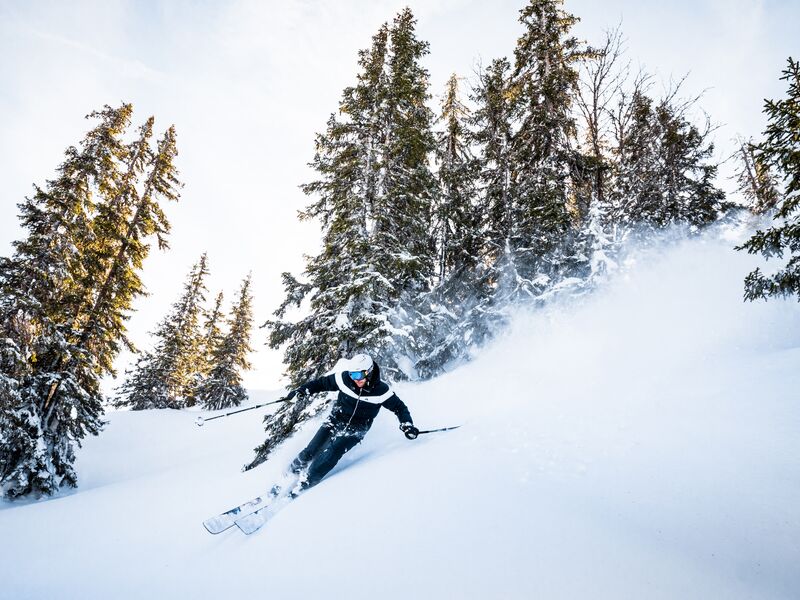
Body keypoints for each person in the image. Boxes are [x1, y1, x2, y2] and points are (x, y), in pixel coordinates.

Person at [282, 353, 419, 494]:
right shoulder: (344, 379)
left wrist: (407, 424)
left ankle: (307, 482)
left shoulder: (381, 391)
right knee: (311, 449)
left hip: (357, 428)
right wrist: (301, 391)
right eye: (352, 375)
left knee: (333, 451)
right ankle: (288, 475)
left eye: (358, 376)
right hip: (335, 419)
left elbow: (400, 408)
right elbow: (321, 383)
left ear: (369, 372)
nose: (355, 380)